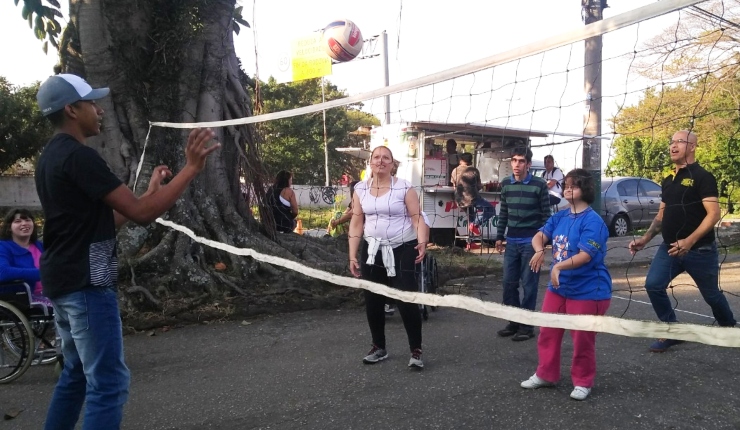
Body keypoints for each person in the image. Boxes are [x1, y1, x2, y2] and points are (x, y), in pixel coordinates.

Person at [35, 73, 219, 430]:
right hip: (87, 285)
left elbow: (115, 217)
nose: (99, 110)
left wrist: (150, 191)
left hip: (62, 281)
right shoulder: (80, 157)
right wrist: (192, 169)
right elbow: (143, 214)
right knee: (109, 384)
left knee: (75, 375)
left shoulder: (50, 157)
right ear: (72, 110)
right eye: (91, 103)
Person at [628, 130, 736, 353]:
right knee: (653, 285)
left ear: (693, 146)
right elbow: (661, 215)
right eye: (671, 141)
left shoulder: (703, 177)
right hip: (669, 248)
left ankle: (729, 328)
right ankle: (673, 331)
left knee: (711, 295)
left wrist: (689, 241)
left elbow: (713, 214)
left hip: (700, 250)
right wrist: (645, 239)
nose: (673, 146)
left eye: (679, 141)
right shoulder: (668, 179)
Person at [521, 169, 612, 401]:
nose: (568, 188)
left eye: (575, 185)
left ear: (587, 189)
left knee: (582, 337)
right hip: (559, 287)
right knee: (548, 331)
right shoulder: (559, 216)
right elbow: (539, 236)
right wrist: (540, 248)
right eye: (567, 184)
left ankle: (583, 381)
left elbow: (586, 255)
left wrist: (559, 266)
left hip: (588, 289)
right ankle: (546, 374)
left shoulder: (594, 221)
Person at [348, 145, 429, 369]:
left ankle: (416, 350)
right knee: (373, 299)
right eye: (376, 157)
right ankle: (378, 347)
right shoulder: (360, 189)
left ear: (392, 164)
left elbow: (417, 219)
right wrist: (352, 255)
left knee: (405, 299)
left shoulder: (405, 188)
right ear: (370, 162)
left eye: (386, 158)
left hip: (402, 246)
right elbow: (356, 223)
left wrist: (422, 241)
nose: (381, 161)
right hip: (372, 249)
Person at [494, 147, 550, 341]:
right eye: (514, 160)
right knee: (508, 283)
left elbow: (546, 216)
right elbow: (503, 213)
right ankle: (513, 321)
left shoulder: (539, 185)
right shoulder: (506, 184)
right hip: (512, 241)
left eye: (521, 161)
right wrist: (499, 236)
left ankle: (527, 326)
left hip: (531, 243)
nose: (517, 165)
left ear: (528, 164)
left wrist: (541, 245)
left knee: (529, 284)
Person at [0, 208, 52, 307]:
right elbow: (2, 272)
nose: (24, 223)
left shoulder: (40, 246)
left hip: (51, 293)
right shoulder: (3, 247)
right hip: (23, 299)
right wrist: (42, 273)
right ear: (9, 227)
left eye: (28, 220)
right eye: (18, 221)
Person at [453, 157, 494, 243]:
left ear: (461, 161)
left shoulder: (455, 170)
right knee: (491, 210)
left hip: (459, 199)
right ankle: (475, 224)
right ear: (471, 162)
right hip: (471, 198)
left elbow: (454, 185)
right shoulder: (474, 170)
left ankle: (470, 243)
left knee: (471, 217)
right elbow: (479, 186)